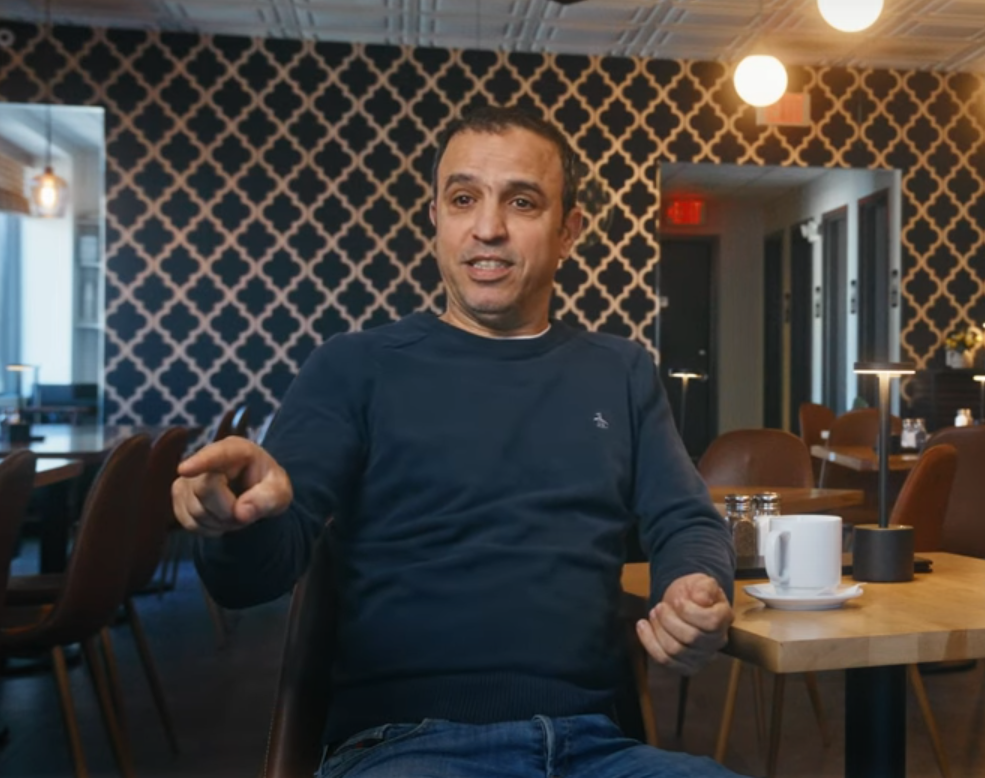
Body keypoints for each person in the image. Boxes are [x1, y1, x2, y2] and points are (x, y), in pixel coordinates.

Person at [172, 105, 740, 777]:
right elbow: (258, 573)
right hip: (405, 746)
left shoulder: (621, 370)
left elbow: (685, 518)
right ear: (436, 219)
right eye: (463, 198)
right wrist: (232, 520)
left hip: (597, 747)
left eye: (522, 202)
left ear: (568, 232)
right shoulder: (354, 367)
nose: (488, 228)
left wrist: (696, 587)